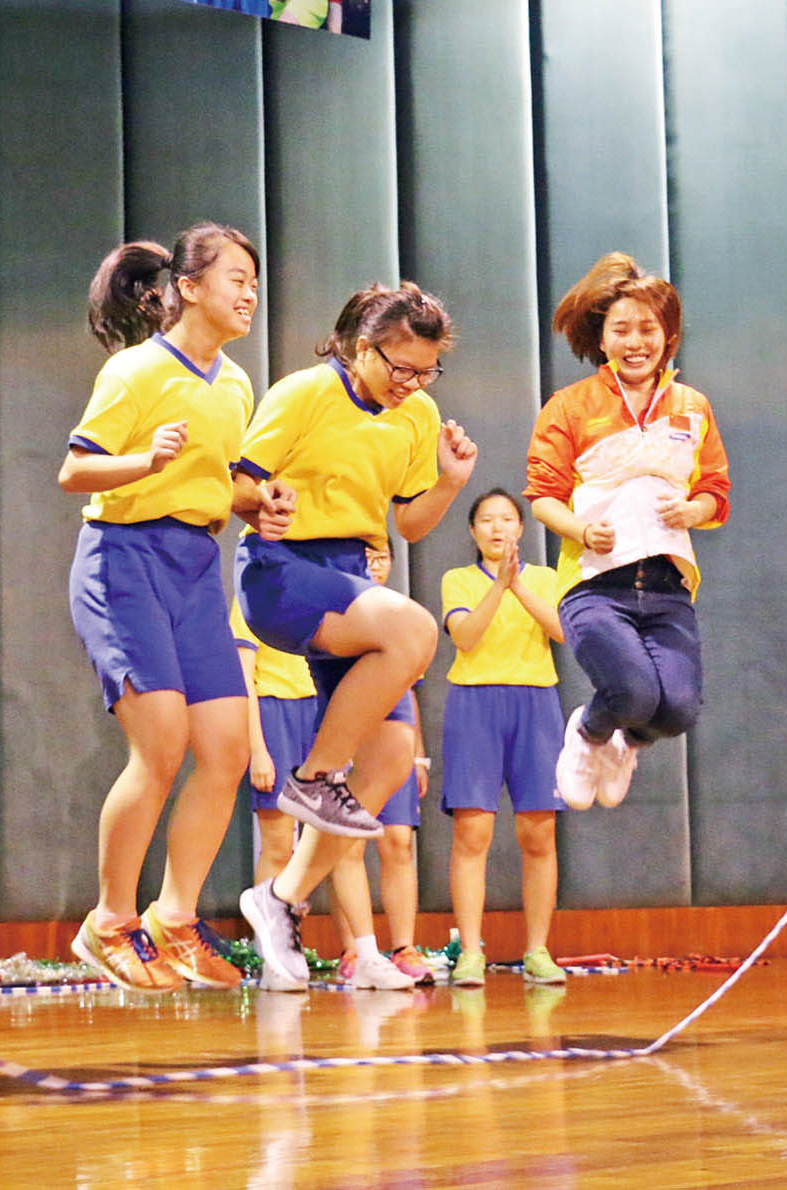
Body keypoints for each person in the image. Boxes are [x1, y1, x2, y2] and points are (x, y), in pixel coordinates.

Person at [231, 282, 476, 993]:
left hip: (351, 573)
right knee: (416, 627)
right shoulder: (305, 393)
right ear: (360, 347)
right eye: (400, 368)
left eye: (426, 371)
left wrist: (452, 482)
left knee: (395, 751)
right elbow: (239, 483)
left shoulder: (417, 416)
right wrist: (262, 502)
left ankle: (279, 900)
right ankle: (314, 779)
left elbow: (409, 523)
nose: (412, 384)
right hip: (282, 569)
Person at [60, 221, 276, 992]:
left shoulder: (237, 382)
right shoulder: (136, 372)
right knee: (160, 747)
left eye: (255, 280)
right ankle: (108, 923)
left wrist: (261, 503)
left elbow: (227, 482)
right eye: (236, 278)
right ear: (188, 288)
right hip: (123, 561)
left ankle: (174, 921)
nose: (249, 292)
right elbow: (75, 471)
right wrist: (142, 461)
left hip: (193, 566)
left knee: (224, 749)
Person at [526, 253, 731, 810]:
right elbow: (543, 494)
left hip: (667, 586)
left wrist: (696, 510)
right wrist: (581, 528)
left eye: (648, 328)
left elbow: (716, 489)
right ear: (602, 336)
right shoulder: (570, 406)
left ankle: (624, 744)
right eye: (621, 329)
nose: (635, 341)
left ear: (668, 336)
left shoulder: (692, 407)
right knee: (632, 690)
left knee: (678, 709)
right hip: (595, 587)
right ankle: (587, 735)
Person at [439, 489, 567, 987]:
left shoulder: (546, 578)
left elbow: (560, 630)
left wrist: (517, 586)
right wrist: (498, 588)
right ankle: (471, 952)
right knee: (473, 832)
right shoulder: (458, 580)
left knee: (539, 833)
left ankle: (537, 950)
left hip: (536, 704)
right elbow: (465, 637)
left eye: (508, 519)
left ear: (522, 529)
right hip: (475, 704)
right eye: (487, 521)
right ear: (473, 532)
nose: (498, 528)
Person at [328, 547, 428, 990]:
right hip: (347, 740)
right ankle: (356, 948)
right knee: (345, 844)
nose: (374, 563)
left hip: (394, 742)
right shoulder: (332, 615)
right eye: (366, 556)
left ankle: (403, 946)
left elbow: (410, 693)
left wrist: (418, 754)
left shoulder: (400, 617)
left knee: (398, 841)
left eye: (383, 556)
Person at [234, 598, 314, 885]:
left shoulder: (318, 587)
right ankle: (269, 931)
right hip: (275, 713)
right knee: (279, 847)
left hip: (320, 712)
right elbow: (243, 679)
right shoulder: (251, 594)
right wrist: (258, 750)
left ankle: (354, 933)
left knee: (335, 849)